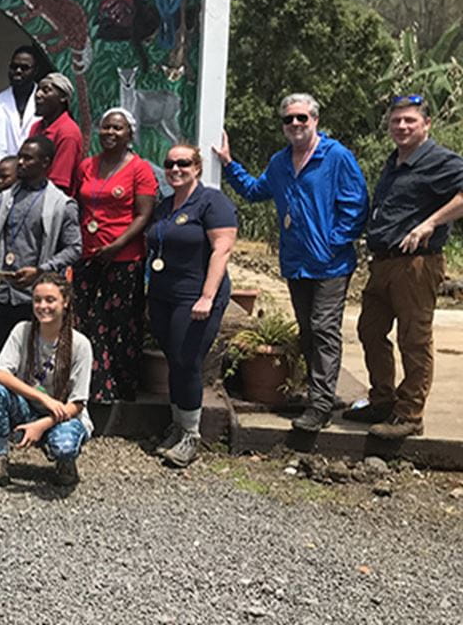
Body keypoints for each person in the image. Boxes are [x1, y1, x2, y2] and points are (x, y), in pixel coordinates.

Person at [215, 94, 368, 431]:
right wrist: (228, 163)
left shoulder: (336, 157)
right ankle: (318, 392)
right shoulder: (281, 162)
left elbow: (356, 204)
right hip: (297, 262)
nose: (295, 124)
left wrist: (333, 242)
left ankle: (320, 406)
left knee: (324, 329)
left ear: (315, 119)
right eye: (289, 119)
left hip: (330, 263)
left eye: (302, 118)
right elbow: (256, 191)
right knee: (309, 331)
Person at [347, 95, 463, 439]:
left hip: (416, 265)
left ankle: (410, 414)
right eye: (396, 121)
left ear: (426, 124)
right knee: (370, 330)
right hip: (383, 264)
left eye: (410, 120)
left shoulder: (440, 160)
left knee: (413, 338)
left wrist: (430, 223)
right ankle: (382, 400)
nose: (402, 126)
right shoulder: (395, 161)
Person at [145, 144, 238, 468]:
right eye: (169, 164)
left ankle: (191, 435)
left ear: (197, 167)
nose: (175, 169)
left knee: (187, 361)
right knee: (174, 360)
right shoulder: (166, 205)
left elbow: (222, 249)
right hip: (163, 295)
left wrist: (207, 296)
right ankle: (178, 424)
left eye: (183, 163)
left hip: (196, 296)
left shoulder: (212, 201)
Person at [0, 136, 82, 386]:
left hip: (33, 297)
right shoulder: (3, 199)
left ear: (46, 163)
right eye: (20, 156)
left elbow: (74, 248)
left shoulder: (62, 204)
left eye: (28, 158)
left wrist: (42, 271)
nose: (21, 162)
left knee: (29, 362)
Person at [0, 273, 94, 491]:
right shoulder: (23, 331)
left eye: (50, 300)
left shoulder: (80, 344)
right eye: (38, 300)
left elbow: (77, 403)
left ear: (65, 302)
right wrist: (41, 397)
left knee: (64, 446)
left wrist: (42, 425)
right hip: (29, 406)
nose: (42, 306)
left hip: (63, 415)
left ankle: (64, 461)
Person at [73, 108, 158, 402]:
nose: (110, 133)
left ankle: (122, 387)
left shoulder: (140, 169)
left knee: (120, 323)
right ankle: (95, 387)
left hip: (124, 259)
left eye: (117, 129)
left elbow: (144, 214)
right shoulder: (86, 166)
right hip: (88, 257)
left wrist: (117, 245)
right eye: (106, 127)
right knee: (87, 320)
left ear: (130, 134)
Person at [26, 72, 83, 196]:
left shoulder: (68, 132)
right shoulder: (36, 127)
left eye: (46, 91)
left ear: (62, 98)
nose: (38, 95)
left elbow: (59, 184)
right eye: (38, 90)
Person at [0, 45, 54, 147]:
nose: (18, 71)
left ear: (36, 70)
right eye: (14, 66)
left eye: (25, 68)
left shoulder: (46, 102)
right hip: (4, 161)